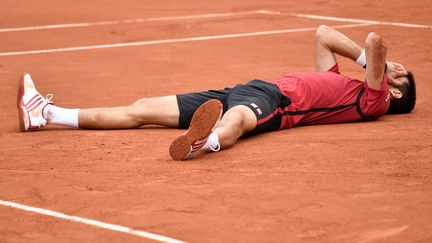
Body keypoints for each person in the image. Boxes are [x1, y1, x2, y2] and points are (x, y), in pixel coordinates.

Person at [17, 25, 416, 161]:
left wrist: (376, 66)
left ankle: (206, 142)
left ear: (394, 93)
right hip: (249, 87)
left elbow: (374, 40)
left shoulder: (373, 100)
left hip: (276, 104)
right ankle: (48, 115)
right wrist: (364, 64)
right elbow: (322, 34)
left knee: (238, 120)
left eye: (400, 73)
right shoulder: (342, 84)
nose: (395, 67)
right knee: (142, 109)